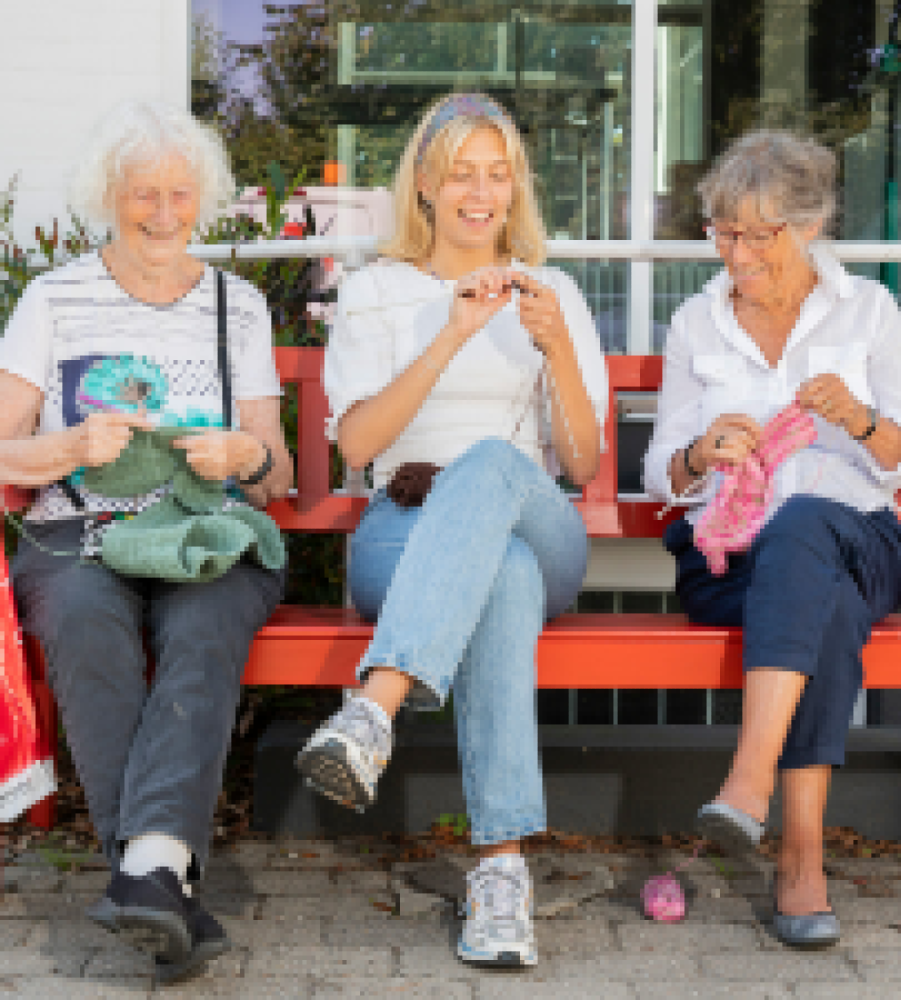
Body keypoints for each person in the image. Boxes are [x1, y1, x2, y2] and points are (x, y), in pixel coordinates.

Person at [297, 92, 608, 967]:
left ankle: (373, 709)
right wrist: (449, 336)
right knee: (497, 573)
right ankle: (502, 873)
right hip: (404, 528)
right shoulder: (377, 291)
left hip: (541, 523)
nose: (480, 192)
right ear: (426, 186)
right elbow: (356, 446)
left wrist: (553, 350)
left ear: (515, 188)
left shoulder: (557, 294)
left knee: (493, 472)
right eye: (460, 173)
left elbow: (581, 466)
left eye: (497, 173)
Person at [0, 102, 292, 982]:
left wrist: (247, 452)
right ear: (108, 199)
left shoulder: (236, 307)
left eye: (179, 193)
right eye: (142, 194)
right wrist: (67, 448)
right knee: (88, 626)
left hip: (205, 532)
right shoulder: (55, 299)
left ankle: (146, 870)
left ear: (203, 199)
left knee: (204, 630)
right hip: (75, 534)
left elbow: (274, 473)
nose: (163, 212)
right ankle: (161, 876)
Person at [643, 130, 901, 948]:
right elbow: (656, 474)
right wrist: (699, 454)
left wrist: (861, 419)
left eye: (756, 234)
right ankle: (801, 857)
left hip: (859, 539)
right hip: (728, 560)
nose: (735, 253)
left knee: (807, 522)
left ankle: (747, 783)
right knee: (825, 604)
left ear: (808, 226)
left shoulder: (870, 310)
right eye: (723, 232)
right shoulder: (697, 322)